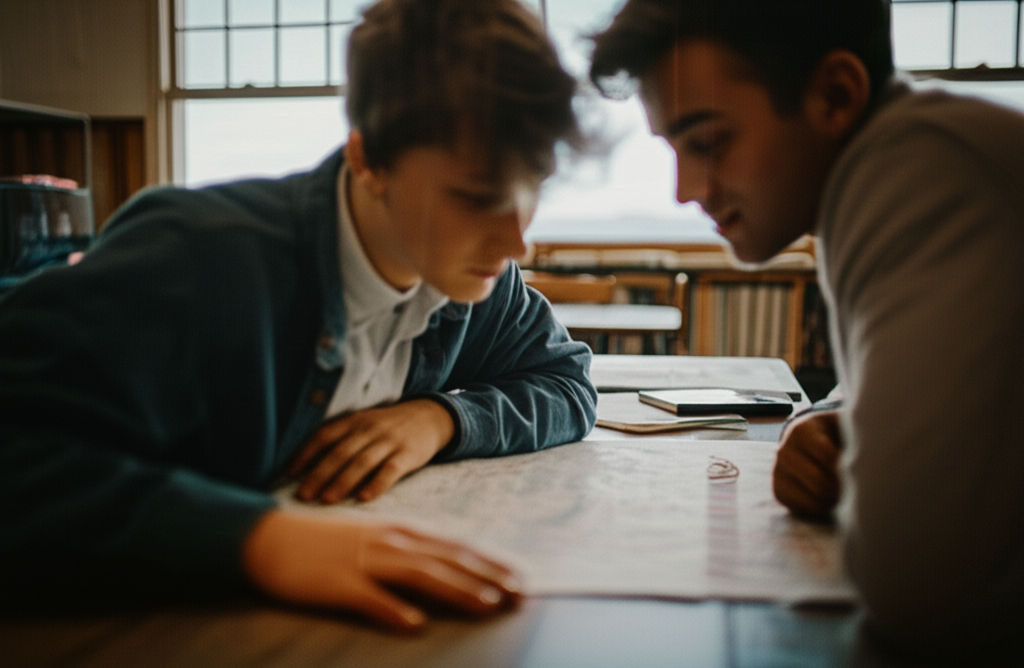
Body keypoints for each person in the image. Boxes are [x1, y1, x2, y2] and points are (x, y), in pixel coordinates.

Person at [0, 0, 597, 632]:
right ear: (368, 161)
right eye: (477, 198)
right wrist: (260, 541)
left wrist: (439, 420)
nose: (516, 243)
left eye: (534, 188)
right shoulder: (197, 256)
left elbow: (566, 382)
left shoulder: (475, 278)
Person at [589, 0, 1024, 660]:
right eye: (673, 150)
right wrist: (829, 416)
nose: (685, 189)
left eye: (706, 142)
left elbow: (916, 589)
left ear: (835, 96)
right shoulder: (882, 173)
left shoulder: (925, 179)